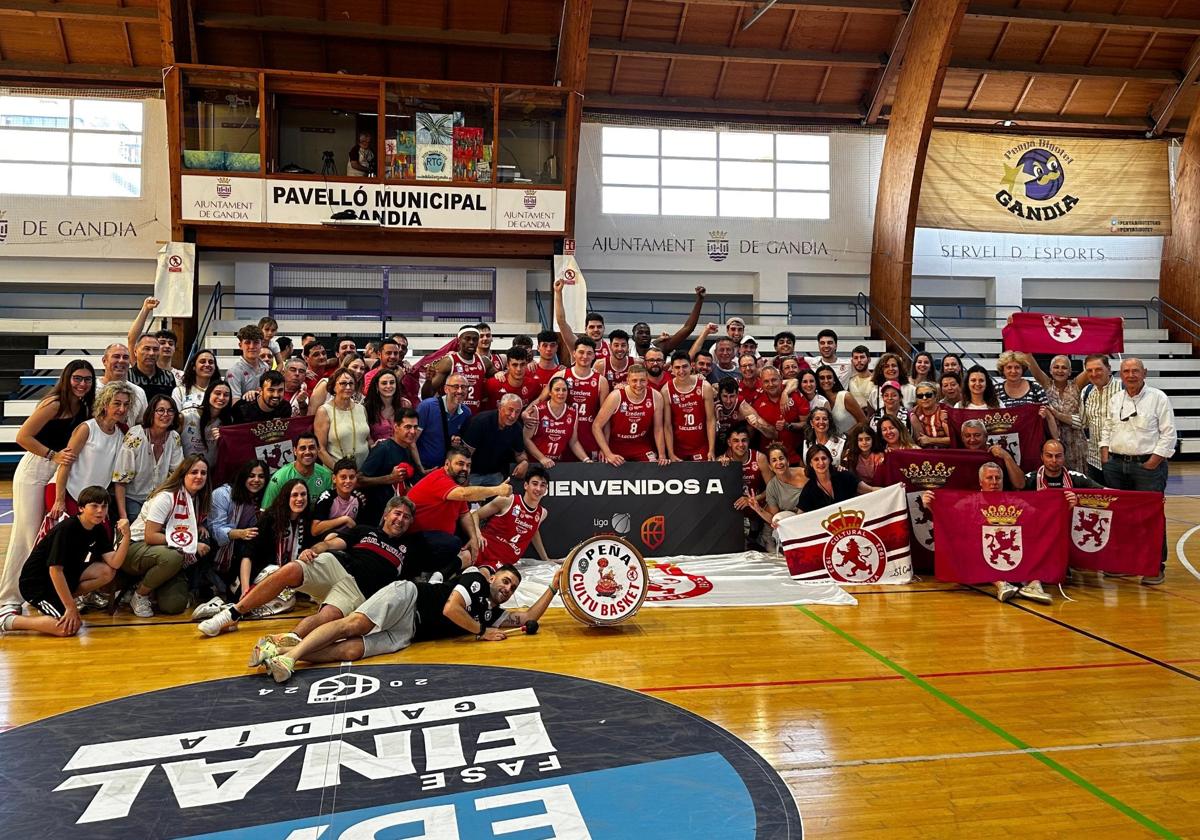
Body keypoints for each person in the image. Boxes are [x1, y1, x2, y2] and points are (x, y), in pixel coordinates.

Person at [257, 562, 559, 683]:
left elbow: (529, 618)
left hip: (409, 633)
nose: (507, 589)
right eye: (506, 581)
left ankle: (276, 653)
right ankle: (292, 659)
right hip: (410, 597)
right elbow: (452, 609)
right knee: (354, 625)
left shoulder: (492, 613)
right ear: (494, 576)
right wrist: (482, 632)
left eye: (513, 588)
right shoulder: (478, 580)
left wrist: (554, 587)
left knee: (349, 652)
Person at [200, 495, 417, 638]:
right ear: (386, 515)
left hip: (359, 590)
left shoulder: (409, 550)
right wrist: (315, 549)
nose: (400, 519)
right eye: (397, 513)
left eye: (406, 517)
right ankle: (232, 615)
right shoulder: (364, 531)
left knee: (327, 617)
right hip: (337, 566)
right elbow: (332, 543)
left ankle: (284, 645)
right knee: (292, 568)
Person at [0, 360, 94, 611]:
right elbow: (23, 436)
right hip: (35, 469)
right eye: (77, 378)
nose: (82, 384)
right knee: (26, 534)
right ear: (66, 379)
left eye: (87, 379)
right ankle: (9, 598)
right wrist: (52, 454)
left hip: (58, 472)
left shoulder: (83, 407)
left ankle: (36, 592)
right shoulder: (54, 403)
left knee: (46, 537)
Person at [1, 487, 130, 636]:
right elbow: (55, 570)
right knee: (66, 629)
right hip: (38, 585)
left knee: (107, 571)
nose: (100, 511)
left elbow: (115, 563)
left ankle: (58, 604)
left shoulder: (98, 529)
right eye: (94, 506)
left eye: (104, 506)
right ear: (81, 508)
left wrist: (126, 536)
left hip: (65, 576)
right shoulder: (67, 529)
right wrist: (70, 607)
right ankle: (8, 619)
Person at [1099, 357, 1176, 585]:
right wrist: (1105, 454)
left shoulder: (1158, 398)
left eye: (1135, 371)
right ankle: (1126, 564)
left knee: (1150, 519)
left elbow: (1169, 434)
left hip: (1147, 468)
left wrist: (1152, 462)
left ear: (1145, 373)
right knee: (1120, 518)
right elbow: (1107, 427)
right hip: (1115, 465)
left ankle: (1154, 567)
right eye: (1126, 371)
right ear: (1120, 375)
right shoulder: (1115, 399)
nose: (1130, 375)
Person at [923, 462, 1031, 602]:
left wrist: (1063, 509)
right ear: (981, 482)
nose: (994, 482)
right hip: (977, 556)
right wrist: (932, 506)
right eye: (989, 478)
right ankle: (1000, 583)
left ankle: (1033, 583)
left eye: (997, 478)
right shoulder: (969, 502)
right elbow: (947, 519)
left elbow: (1038, 520)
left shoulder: (1015, 502)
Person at [125, 455, 211, 616]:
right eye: (194, 472)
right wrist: (190, 545)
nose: (199, 476)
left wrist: (196, 531)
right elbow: (150, 536)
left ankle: (153, 584)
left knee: (174, 606)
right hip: (136, 546)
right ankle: (140, 595)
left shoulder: (197, 498)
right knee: (173, 557)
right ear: (183, 474)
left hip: (165, 550)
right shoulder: (166, 497)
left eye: (203, 473)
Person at [407, 446, 514, 567]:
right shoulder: (439, 478)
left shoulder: (456, 484)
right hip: (417, 538)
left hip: (437, 538)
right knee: (453, 543)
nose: (465, 469)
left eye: (468, 465)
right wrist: (498, 490)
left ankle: (448, 573)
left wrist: (473, 538)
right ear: (447, 464)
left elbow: (464, 514)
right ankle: (433, 576)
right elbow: (464, 494)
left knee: (470, 539)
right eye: (460, 464)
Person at [49, 382, 131, 521]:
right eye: (117, 403)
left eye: (126, 404)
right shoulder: (87, 428)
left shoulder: (123, 433)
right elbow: (65, 464)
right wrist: (59, 500)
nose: (122, 409)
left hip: (95, 500)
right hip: (66, 493)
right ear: (105, 404)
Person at [238, 477, 317, 598]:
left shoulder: (308, 519)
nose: (300, 499)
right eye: (294, 495)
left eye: (303, 494)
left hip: (291, 579)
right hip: (264, 575)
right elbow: (247, 555)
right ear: (286, 498)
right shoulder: (270, 518)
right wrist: (245, 589)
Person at [112, 395, 184, 522]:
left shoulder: (174, 437)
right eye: (160, 410)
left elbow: (177, 474)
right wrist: (123, 516)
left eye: (170, 411)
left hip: (159, 499)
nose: (165, 414)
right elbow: (120, 480)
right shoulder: (136, 435)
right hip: (133, 499)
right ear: (151, 412)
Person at [473, 464, 552, 569]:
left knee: (484, 576)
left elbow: (533, 532)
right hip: (483, 550)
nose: (538, 488)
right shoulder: (507, 500)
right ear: (526, 486)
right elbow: (475, 514)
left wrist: (545, 559)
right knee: (462, 561)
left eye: (543, 485)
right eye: (535, 483)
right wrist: (477, 534)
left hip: (502, 563)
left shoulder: (542, 513)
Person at [208, 459, 268, 594]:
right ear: (243, 477)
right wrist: (240, 533)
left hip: (240, 548)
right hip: (216, 547)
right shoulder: (223, 494)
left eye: (261, 476)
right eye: (251, 476)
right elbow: (215, 530)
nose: (256, 480)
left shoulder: (262, 500)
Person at [359, 409, 424, 524]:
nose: (413, 431)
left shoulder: (406, 450)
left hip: (396, 517)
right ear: (396, 427)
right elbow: (359, 480)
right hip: (376, 518)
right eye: (408, 427)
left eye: (415, 427)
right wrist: (390, 478)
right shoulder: (383, 448)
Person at [594, 364, 666, 465]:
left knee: (653, 470)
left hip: (640, 444)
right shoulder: (616, 396)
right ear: (627, 380)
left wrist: (662, 455)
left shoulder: (656, 396)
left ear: (647, 380)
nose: (639, 384)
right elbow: (596, 426)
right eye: (634, 380)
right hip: (616, 444)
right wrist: (608, 453)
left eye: (642, 380)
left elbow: (658, 428)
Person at [461, 394, 529, 485]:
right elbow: (465, 454)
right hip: (473, 474)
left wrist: (525, 462)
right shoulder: (480, 422)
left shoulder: (516, 427)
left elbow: (520, 453)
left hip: (496, 475)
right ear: (500, 407)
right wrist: (463, 477)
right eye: (510, 410)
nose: (513, 416)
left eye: (517, 412)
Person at [720, 425, 770, 549]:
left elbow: (773, 489)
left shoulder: (760, 458)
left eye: (744, 440)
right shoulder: (722, 460)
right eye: (736, 441)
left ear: (749, 441)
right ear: (729, 443)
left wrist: (752, 500)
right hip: (735, 510)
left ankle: (764, 536)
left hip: (756, 506)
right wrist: (719, 468)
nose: (741, 445)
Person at [526, 376, 592, 468]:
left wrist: (586, 459)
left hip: (556, 465)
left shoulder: (572, 412)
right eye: (557, 389)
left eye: (564, 390)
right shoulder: (537, 410)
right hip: (535, 463)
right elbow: (526, 438)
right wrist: (542, 458)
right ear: (550, 392)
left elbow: (573, 441)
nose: (561, 393)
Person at [662, 351, 716, 462]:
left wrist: (711, 449)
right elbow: (667, 425)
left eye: (684, 366)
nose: (681, 371)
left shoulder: (704, 387)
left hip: (701, 446)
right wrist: (671, 453)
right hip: (678, 448)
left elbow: (710, 420)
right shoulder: (666, 390)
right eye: (677, 367)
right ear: (671, 369)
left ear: (691, 366)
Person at [746, 442, 808, 538]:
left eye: (781, 458)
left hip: (812, 515)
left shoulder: (804, 473)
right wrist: (758, 509)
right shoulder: (772, 487)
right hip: (794, 522)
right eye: (774, 460)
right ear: (770, 466)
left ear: (787, 461)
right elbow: (774, 517)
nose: (778, 463)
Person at [426, 325, 495, 411]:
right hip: (452, 417)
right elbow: (426, 395)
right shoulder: (449, 362)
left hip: (475, 417)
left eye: (475, 339)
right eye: (467, 338)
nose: (471, 342)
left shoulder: (484, 362)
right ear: (459, 341)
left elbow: (500, 381)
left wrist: (501, 373)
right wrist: (428, 381)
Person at [1038, 354, 1088, 473]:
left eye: (1064, 368)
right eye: (1056, 367)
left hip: (1076, 443)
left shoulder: (1076, 386)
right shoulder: (1046, 385)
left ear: (1070, 371)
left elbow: (1091, 366)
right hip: (1053, 444)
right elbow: (1032, 364)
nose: (1060, 370)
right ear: (1050, 370)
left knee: (1077, 479)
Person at [746, 365, 808, 460]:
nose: (771, 384)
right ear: (761, 383)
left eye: (774, 380)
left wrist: (789, 426)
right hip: (770, 459)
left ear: (781, 379)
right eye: (766, 381)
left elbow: (807, 424)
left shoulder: (796, 395)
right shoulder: (756, 401)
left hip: (796, 456)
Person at [563, 337, 610, 460]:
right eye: (581, 352)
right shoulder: (561, 376)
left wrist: (605, 448)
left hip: (590, 439)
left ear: (594, 356)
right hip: (564, 438)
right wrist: (527, 412)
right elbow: (542, 401)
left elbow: (606, 419)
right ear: (574, 353)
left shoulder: (601, 381)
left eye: (589, 353)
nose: (585, 356)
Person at [314, 368, 370, 468]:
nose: (348, 387)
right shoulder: (324, 411)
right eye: (343, 383)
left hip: (364, 472)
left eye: (351, 383)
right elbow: (320, 449)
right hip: (337, 474)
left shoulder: (362, 409)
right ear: (334, 387)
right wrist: (339, 471)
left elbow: (368, 439)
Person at [796, 444, 875, 511]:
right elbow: (799, 517)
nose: (821, 463)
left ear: (829, 460)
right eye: (816, 459)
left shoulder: (845, 476)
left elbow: (870, 490)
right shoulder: (808, 490)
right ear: (810, 463)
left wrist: (887, 492)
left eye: (824, 458)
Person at [416, 373, 472, 467]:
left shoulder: (466, 413)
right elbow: (412, 441)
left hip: (447, 469)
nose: (460, 391)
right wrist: (419, 467)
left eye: (463, 387)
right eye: (455, 386)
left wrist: (456, 444)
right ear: (446, 389)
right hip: (423, 468)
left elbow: (461, 445)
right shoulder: (427, 406)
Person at [262, 432, 333, 507]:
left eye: (312, 448)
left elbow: (330, 507)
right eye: (302, 448)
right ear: (295, 451)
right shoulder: (280, 478)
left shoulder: (326, 475)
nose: (307, 452)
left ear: (318, 450)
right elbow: (265, 511)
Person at [960, 418, 1025, 488]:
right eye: (967, 436)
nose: (972, 439)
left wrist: (1006, 456)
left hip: (1000, 497)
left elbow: (1020, 484)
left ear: (986, 436)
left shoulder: (1001, 453)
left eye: (977, 435)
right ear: (962, 438)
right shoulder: (958, 456)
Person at [312, 458, 368, 538]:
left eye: (352, 477)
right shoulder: (326, 498)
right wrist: (344, 519)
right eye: (343, 477)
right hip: (327, 540)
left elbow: (358, 527)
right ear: (334, 478)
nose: (348, 481)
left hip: (348, 539)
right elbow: (314, 530)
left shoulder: (359, 499)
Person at [180, 380, 232, 461]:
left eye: (226, 395)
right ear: (208, 394)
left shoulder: (228, 422)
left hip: (209, 471)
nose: (221, 398)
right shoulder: (187, 415)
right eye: (217, 393)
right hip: (184, 469)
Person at [97, 342, 147, 424]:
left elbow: (141, 426)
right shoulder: (92, 388)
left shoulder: (139, 392)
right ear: (104, 361)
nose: (121, 360)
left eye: (125, 357)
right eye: (116, 356)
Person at [815, 364, 866, 435]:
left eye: (829, 377)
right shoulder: (818, 401)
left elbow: (864, 421)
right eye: (822, 378)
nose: (826, 380)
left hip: (852, 441)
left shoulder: (845, 396)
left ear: (834, 380)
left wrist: (845, 437)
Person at [483, 346, 539, 411]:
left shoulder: (533, 385)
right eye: (514, 365)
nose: (519, 369)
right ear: (507, 365)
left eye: (522, 364)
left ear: (526, 364)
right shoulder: (492, 384)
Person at [364, 369, 410, 445]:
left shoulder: (405, 404)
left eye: (392, 382)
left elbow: (410, 435)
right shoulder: (367, 408)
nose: (388, 386)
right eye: (384, 383)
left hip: (402, 452)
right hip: (378, 453)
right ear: (377, 386)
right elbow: (368, 438)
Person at [127, 333, 175, 403]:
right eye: (147, 349)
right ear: (135, 351)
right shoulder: (126, 376)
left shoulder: (168, 377)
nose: (151, 353)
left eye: (155, 349)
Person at [225, 325, 269, 401]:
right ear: (240, 345)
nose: (252, 346)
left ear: (261, 345)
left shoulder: (265, 367)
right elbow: (235, 404)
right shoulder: (234, 371)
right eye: (247, 342)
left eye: (256, 342)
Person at [525, 330, 567, 395]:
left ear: (557, 348)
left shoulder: (563, 372)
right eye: (545, 345)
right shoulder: (529, 370)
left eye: (552, 345)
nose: (549, 349)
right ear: (538, 348)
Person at [910, 383, 951, 448]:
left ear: (935, 396)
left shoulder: (945, 410)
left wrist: (930, 440)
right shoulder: (913, 412)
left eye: (928, 395)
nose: (924, 398)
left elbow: (953, 440)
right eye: (920, 396)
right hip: (923, 454)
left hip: (945, 453)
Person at [847, 344, 875, 412]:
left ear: (869, 360)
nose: (859, 360)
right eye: (856, 358)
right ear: (852, 361)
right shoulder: (850, 381)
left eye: (862, 357)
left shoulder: (876, 380)